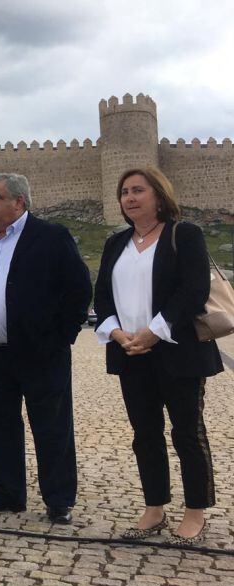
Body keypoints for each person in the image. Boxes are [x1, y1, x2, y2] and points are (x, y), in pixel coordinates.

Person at [94, 167, 222, 546]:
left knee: (186, 432)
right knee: (144, 434)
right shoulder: (116, 243)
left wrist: (153, 332)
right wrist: (117, 333)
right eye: (124, 192)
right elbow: (102, 296)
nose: (129, 198)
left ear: (158, 194)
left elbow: (193, 290)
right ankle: (154, 508)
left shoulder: (185, 235)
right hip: (130, 353)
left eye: (138, 190)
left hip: (177, 352)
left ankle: (195, 511)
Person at [0, 173, 91, 524]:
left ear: (19, 202)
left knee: (51, 426)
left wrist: (62, 337)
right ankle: (8, 491)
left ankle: (58, 498)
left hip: (41, 354)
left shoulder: (50, 237)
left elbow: (78, 290)